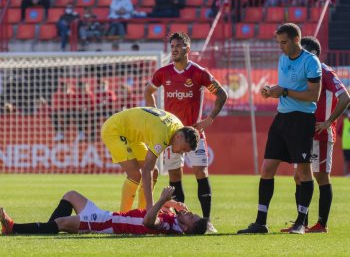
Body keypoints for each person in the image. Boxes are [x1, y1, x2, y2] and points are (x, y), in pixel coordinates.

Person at [237, 23, 322, 235]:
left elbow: (314, 95)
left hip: (301, 120)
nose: (280, 47)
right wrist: (271, 92)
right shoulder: (283, 58)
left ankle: (301, 222)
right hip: (281, 119)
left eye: (284, 42)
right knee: (266, 169)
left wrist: (284, 91)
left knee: (303, 171)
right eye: (278, 42)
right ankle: (260, 222)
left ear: (296, 40)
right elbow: (285, 87)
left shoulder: (311, 62)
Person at [144, 32, 228, 233]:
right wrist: (157, 116)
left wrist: (209, 119)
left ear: (188, 49)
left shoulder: (199, 73)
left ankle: (207, 222)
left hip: (194, 134)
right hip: (173, 135)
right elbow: (148, 92)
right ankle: (179, 222)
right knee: (175, 176)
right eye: (172, 45)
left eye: (179, 46)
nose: (174, 49)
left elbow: (222, 94)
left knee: (201, 173)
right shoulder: (163, 72)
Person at [280, 37, 350, 233]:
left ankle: (321, 224)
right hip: (303, 133)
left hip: (320, 134)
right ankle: (301, 223)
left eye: (304, 52)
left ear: (314, 55)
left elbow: (345, 97)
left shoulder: (325, 71)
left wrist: (329, 121)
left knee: (320, 176)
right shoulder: (303, 73)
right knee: (298, 177)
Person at [101, 107, 199, 212]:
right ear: (179, 137)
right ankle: (122, 217)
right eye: (183, 149)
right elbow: (147, 169)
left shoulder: (178, 128)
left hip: (131, 135)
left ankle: (142, 213)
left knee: (155, 173)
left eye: (185, 152)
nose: (181, 152)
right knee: (135, 174)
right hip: (114, 130)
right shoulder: (163, 134)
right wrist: (150, 204)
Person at [0, 186, 208, 235]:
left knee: (62, 222)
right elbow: (157, 210)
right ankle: (47, 228)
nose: (191, 214)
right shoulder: (173, 218)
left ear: (187, 229)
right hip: (107, 215)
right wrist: (171, 204)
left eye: (193, 218)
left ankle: (14, 227)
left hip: (107, 224)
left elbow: (147, 222)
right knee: (71, 195)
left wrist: (163, 199)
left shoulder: (169, 226)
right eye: (193, 213)